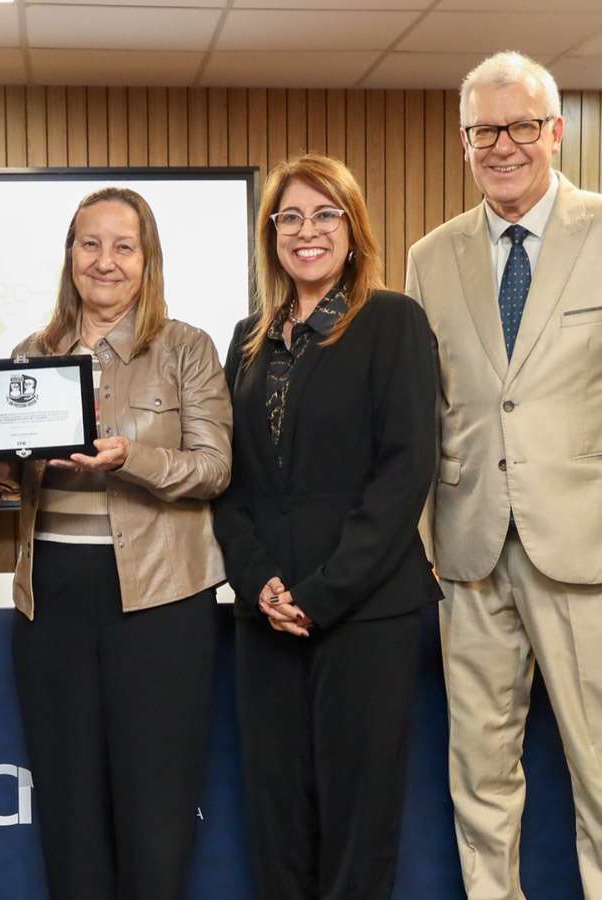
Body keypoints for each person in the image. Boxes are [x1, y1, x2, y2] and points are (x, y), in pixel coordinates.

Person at [404, 51, 602, 900]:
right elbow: (436, 407)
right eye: (484, 129)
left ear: (555, 132)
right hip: (471, 550)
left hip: (592, 554)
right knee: (480, 775)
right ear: (464, 141)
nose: (503, 145)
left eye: (521, 125)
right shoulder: (431, 255)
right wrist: (427, 543)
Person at [0, 186, 230, 900]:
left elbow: (214, 469)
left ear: (148, 261)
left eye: (123, 246)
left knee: (157, 813)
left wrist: (129, 458)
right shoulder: (30, 352)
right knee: (68, 808)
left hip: (162, 603)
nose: (105, 261)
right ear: (69, 256)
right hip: (51, 597)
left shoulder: (187, 349)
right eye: (90, 244)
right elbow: (26, 482)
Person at [211, 153, 439, 898]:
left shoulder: (393, 321)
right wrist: (259, 586)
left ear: (352, 227)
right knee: (276, 815)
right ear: (270, 232)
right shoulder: (250, 337)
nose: (306, 231)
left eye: (324, 214)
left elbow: (405, 472)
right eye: (290, 217)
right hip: (266, 610)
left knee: (357, 817)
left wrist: (322, 593)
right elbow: (231, 482)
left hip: (364, 609)